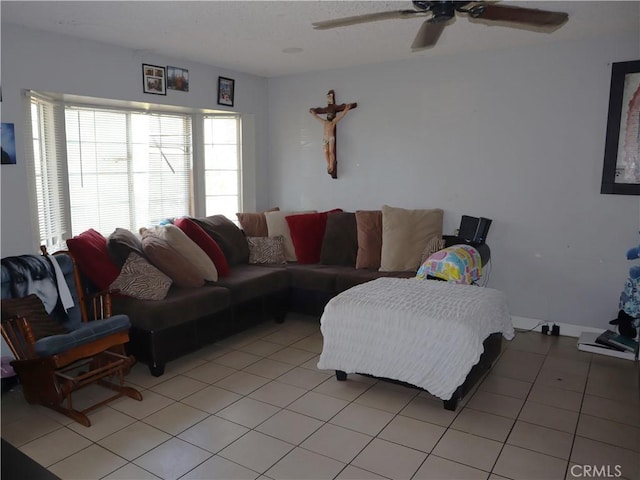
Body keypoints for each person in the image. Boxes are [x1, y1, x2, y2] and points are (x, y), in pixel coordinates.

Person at [309, 103, 352, 176]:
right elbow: (317, 118)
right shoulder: (324, 122)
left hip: (331, 138)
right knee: (325, 152)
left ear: (332, 116)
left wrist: (346, 109)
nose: (329, 115)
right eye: (328, 115)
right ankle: (328, 164)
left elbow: (341, 116)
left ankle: (331, 165)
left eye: (330, 115)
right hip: (325, 138)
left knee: (331, 152)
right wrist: (313, 113)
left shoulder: (333, 122)